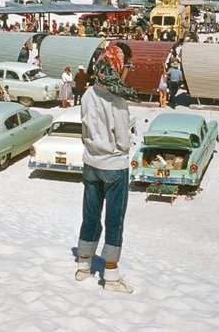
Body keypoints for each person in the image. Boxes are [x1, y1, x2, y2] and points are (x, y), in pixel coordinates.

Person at [75, 58, 138, 293]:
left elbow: (84, 129)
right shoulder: (118, 100)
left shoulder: (87, 95)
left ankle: (83, 265)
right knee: (114, 220)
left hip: (91, 162)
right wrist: (123, 144)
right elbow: (122, 139)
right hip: (113, 166)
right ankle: (110, 276)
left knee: (90, 215)